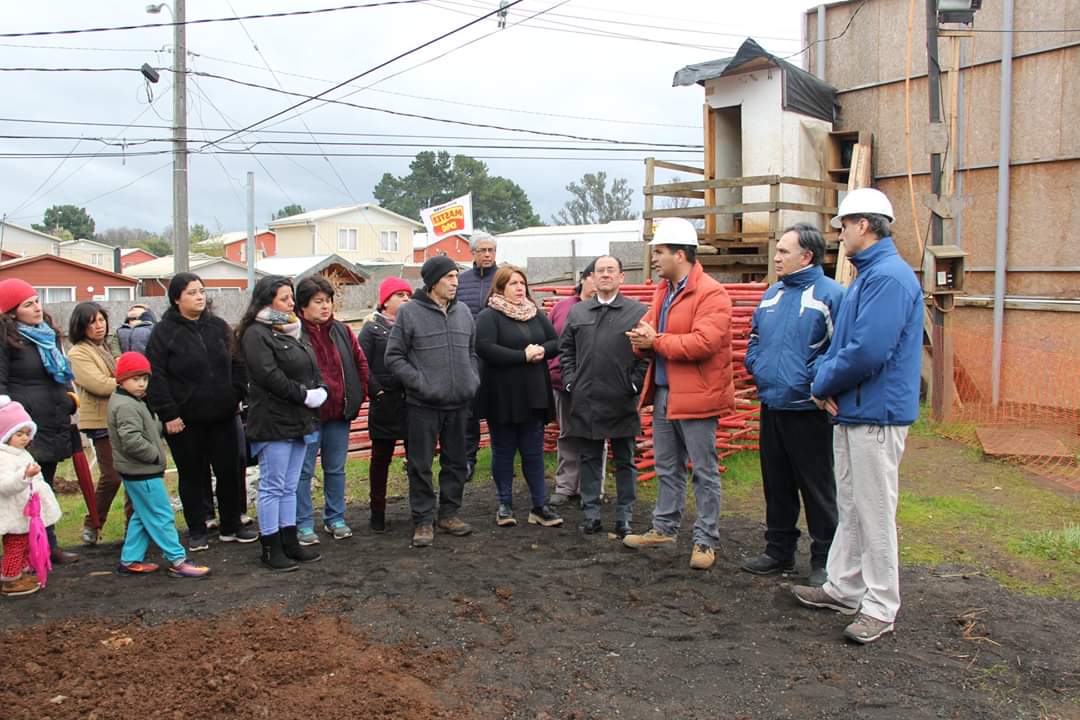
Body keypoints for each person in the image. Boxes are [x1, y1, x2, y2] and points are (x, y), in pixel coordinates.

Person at [791, 188, 923, 645]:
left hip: (876, 414)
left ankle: (881, 605)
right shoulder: (870, 276)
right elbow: (844, 345)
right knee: (850, 504)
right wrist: (828, 384)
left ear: (864, 225)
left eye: (844, 225)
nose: (840, 234)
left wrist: (822, 384)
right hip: (856, 410)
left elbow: (867, 350)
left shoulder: (887, 278)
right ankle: (844, 587)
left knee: (874, 511)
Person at [623, 218, 734, 571]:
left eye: (660, 252)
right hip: (666, 392)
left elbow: (704, 343)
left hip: (698, 395)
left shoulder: (712, 293)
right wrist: (643, 342)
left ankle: (705, 540)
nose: (654, 259)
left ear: (681, 254)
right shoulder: (664, 291)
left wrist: (655, 341)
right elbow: (654, 335)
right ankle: (664, 528)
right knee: (667, 466)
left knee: (703, 470)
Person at [741, 225, 844, 587]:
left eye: (784, 251)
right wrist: (757, 366)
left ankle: (825, 560)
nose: (776, 257)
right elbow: (754, 340)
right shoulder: (770, 295)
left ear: (807, 256)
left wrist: (812, 379)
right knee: (777, 483)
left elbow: (839, 350)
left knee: (817, 488)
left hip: (810, 411)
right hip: (772, 405)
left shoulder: (832, 295)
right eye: (777, 250)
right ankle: (778, 551)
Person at [145, 273, 257, 551]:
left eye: (202, 291)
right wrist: (169, 414)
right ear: (176, 299)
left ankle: (231, 524)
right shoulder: (163, 333)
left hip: (224, 416)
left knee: (230, 472)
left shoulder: (218, 327)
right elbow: (155, 377)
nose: (199, 297)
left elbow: (238, 362)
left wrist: (237, 394)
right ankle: (197, 528)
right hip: (185, 421)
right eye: (192, 292)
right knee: (192, 475)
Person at [385, 255, 478, 548]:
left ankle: (449, 513)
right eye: (449, 277)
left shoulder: (463, 312)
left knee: (456, 462)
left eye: (456, 276)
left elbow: (472, 352)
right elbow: (394, 357)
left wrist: (471, 379)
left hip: (459, 403)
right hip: (422, 405)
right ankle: (423, 519)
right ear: (432, 282)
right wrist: (421, 384)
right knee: (420, 464)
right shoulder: (409, 313)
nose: (455, 282)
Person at [239, 276, 326, 571]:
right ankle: (270, 545)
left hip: (299, 420)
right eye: (284, 299)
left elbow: (310, 366)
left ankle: (290, 541)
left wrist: (320, 388)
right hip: (273, 421)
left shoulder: (292, 330)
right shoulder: (255, 334)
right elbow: (269, 376)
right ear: (267, 301)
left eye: (291, 298)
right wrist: (305, 396)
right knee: (273, 486)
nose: (291, 304)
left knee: (290, 486)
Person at [559, 256, 648, 538]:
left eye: (611, 270)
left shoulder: (637, 312)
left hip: (621, 400)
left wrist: (634, 385)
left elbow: (646, 355)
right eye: (600, 271)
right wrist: (572, 382)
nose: (606, 275)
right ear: (592, 278)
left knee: (625, 460)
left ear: (622, 277)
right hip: (587, 400)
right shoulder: (579, 313)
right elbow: (566, 352)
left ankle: (624, 517)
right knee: (589, 459)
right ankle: (591, 515)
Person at [107, 352, 210, 579]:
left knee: (142, 515)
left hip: (138, 470)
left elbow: (148, 429)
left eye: (144, 378)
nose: (141, 383)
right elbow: (132, 440)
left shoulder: (134, 400)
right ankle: (178, 560)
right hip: (142, 471)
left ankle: (130, 560)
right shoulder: (126, 405)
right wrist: (155, 456)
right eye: (135, 378)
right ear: (121, 379)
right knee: (161, 514)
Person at [475, 265, 562, 529]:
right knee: (503, 451)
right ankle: (505, 504)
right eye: (513, 283)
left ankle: (539, 505)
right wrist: (521, 356)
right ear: (500, 287)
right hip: (502, 394)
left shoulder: (535, 314)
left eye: (522, 283)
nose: (519, 288)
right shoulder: (489, 315)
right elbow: (485, 348)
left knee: (533, 452)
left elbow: (555, 342)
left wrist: (540, 351)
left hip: (533, 393)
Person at [0, 278, 79, 565]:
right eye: (28, 304)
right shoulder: (6, 339)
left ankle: (47, 544)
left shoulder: (46, 334)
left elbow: (60, 373)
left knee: (44, 486)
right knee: (23, 489)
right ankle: (23, 551)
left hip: (54, 417)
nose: (36, 307)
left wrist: (70, 399)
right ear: (11, 311)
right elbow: (1, 384)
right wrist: (12, 422)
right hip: (24, 427)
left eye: (36, 300)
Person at [293, 275, 369, 546]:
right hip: (307, 416)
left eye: (328, 301)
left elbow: (360, 363)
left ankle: (335, 518)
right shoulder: (293, 331)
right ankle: (302, 523)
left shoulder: (341, 330)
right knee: (303, 471)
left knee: (335, 468)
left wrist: (356, 396)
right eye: (318, 302)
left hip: (339, 412)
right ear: (302, 306)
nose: (325, 307)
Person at [68, 302, 132, 546]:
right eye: (92, 322)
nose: (99, 325)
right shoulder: (79, 352)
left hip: (123, 418)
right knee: (112, 475)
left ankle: (132, 528)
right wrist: (128, 380)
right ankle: (93, 522)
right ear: (81, 326)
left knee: (133, 475)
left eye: (101, 320)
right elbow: (98, 384)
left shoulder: (107, 347)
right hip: (100, 421)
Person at [358, 276, 413, 533]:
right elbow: (362, 365)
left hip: (411, 400)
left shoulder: (411, 325)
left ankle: (420, 508)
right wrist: (377, 392)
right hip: (385, 402)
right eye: (400, 294)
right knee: (381, 459)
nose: (405, 299)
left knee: (417, 458)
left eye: (408, 295)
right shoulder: (371, 328)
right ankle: (377, 512)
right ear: (385, 300)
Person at [547, 260, 597, 507]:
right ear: (584, 278)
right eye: (594, 275)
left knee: (595, 436)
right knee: (567, 434)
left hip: (598, 384)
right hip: (563, 381)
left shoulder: (607, 309)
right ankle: (566, 486)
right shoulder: (562, 308)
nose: (598, 280)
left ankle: (591, 488)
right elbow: (550, 342)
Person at [0, 398, 62, 596]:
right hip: (13, 513)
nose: (25, 438)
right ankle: (10, 579)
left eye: (27, 433)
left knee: (26, 543)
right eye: (19, 434)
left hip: (26, 511)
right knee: (15, 546)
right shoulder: (3, 457)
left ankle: (20, 572)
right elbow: (4, 486)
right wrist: (25, 476)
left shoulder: (21, 453)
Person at [456, 231, 498, 480]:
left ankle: (500, 457)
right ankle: (468, 459)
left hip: (497, 352)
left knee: (497, 405)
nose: (487, 254)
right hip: (467, 353)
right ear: (472, 253)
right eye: (482, 250)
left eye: (491, 250)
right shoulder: (461, 281)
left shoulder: (504, 278)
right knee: (469, 408)